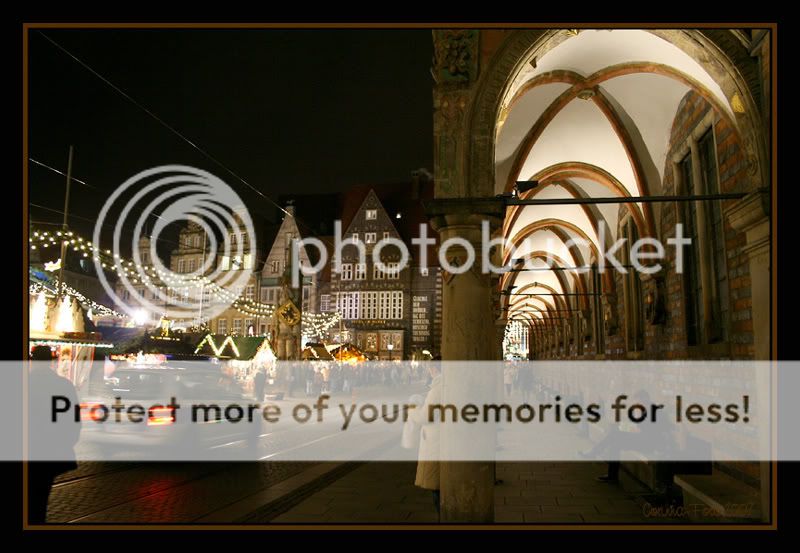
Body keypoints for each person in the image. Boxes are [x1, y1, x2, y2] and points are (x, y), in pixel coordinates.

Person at [28, 345, 81, 524]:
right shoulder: (63, 385)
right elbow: (73, 421)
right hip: (49, 451)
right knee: (39, 498)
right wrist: (65, 443)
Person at [579, 390, 676, 482]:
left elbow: (650, 430)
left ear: (645, 399)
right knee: (615, 439)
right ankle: (609, 471)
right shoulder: (648, 409)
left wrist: (636, 424)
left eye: (639, 402)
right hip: (643, 439)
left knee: (615, 437)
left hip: (648, 444)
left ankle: (597, 456)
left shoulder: (653, 411)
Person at [409, 360, 442, 517]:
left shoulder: (438, 388)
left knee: (437, 489)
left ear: (434, 369)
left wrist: (413, 409)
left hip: (437, 441)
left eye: (430, 368)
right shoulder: (446, 385)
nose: (429, 371)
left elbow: (425, 416)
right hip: (443, 438)